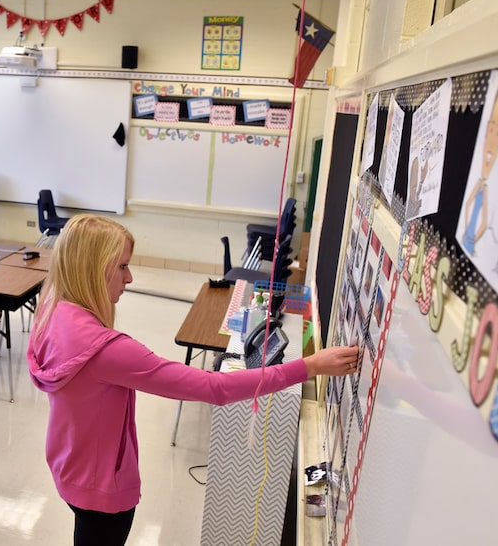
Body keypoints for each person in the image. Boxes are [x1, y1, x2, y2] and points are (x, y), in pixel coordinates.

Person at [27, 214, 359, 546]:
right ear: (93, 270)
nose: (130, 278)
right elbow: (216, 388)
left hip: (68, 468)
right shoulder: (108, 352)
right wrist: (310, 366)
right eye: (122, 266)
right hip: (102, 491)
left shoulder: (51, 313)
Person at [462, 77, 498, 255]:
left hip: (470, 238)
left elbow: (483, 221)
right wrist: (468, 230)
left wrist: (472, 236)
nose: (491, 141)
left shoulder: (486, 187)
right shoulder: (480, 183)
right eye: (490, 129)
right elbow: (468, 205)